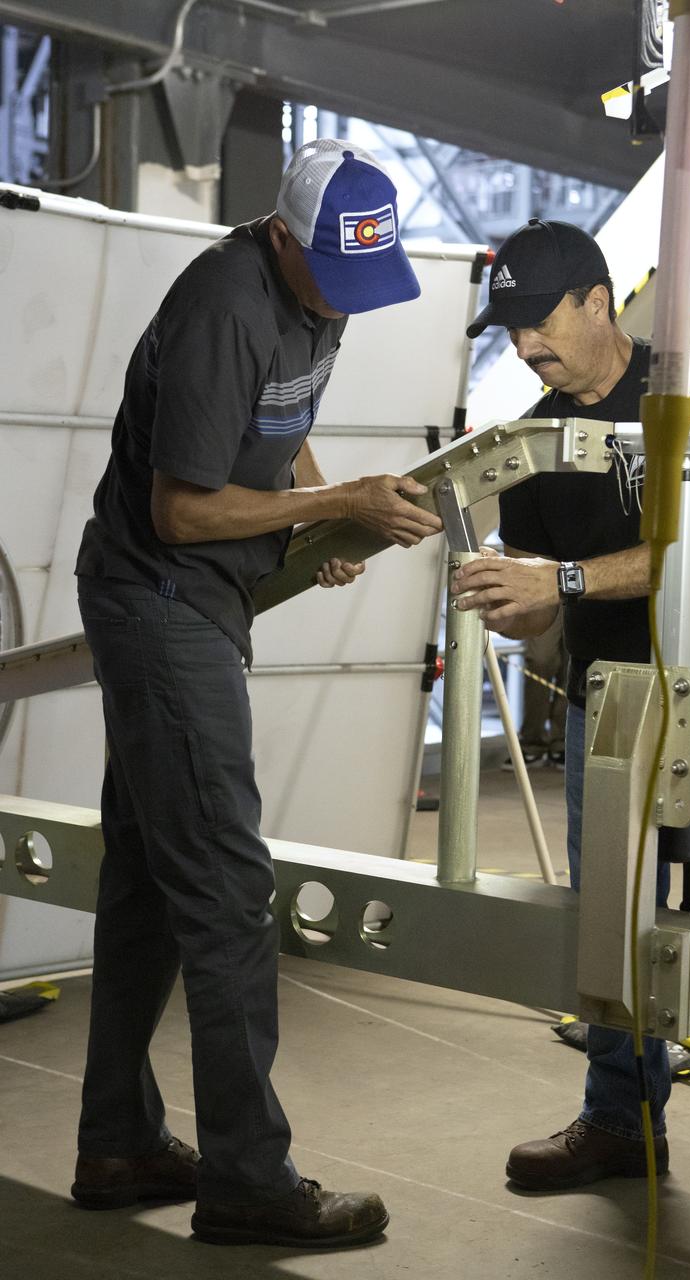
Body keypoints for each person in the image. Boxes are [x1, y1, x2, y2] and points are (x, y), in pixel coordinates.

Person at [70, 139, 443, 1248]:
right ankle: (246, 1180)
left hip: (196, 599)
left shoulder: (322, 289)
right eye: (328, 275)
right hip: (162, 600)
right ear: (282, 236)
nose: (343, 299)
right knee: (230, 892)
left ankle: (118, 1144)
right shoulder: (223, 306)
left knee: (149, 878)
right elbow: (181, 510)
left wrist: (316, 518)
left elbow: (277, 420)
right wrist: (323, 507)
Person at [452, 219, 690, 1268]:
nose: (525, 345)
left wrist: (560, 579)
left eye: (538, 321)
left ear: (597, 302)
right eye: (510, 329)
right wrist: (502, 589)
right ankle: (620, 1118)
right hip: (608, 695)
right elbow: (540, 595)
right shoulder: (533, 436)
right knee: (609, 913)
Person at [501, 612, 568, 770]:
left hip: (583, 602)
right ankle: (532, 742)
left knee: (571, 667)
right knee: (540, 660)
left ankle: (561, 742)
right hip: (549, 600)